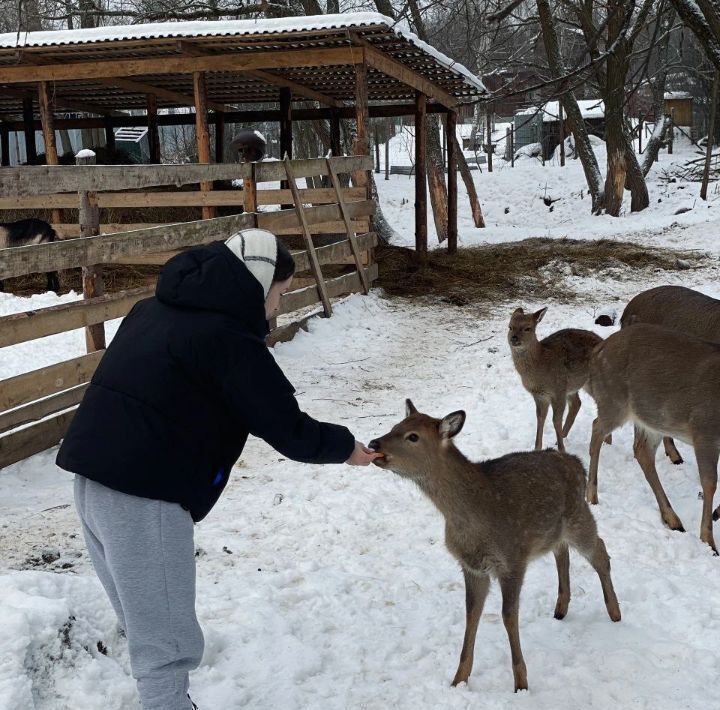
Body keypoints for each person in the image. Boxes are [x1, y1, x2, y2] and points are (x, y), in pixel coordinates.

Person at [56, 228, 380, 710]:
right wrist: (346, 448)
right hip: (145, 493)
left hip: (92, 481)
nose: (276, 309)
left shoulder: (153, 310)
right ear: (257, 283)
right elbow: (286, 427)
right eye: (279, 294)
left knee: (143, 617)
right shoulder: (227, 340)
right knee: (165, 639)